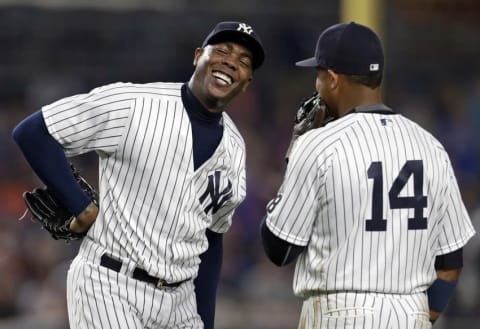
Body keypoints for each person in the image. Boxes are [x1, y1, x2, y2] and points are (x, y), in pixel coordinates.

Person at [12, 20, 264, 329]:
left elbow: (211, 239)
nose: (230, 62)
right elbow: (33, 132)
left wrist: (205, 321)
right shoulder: (135, 104)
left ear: (247, 81)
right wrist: (82, 206)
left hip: (180, 300)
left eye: (243, 61)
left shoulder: (235, 147)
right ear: (199, 56)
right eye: (222, 50)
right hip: (110, 285)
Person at [260, 22, 475, 328]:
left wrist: (295, 150)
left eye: (319, 76)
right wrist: (423, 318)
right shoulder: (431, 146)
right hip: (410, 311)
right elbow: (451, 262)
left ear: (333, 79)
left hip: (338, 311)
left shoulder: (317, 144)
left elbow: (278, 248)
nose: (317, 86)